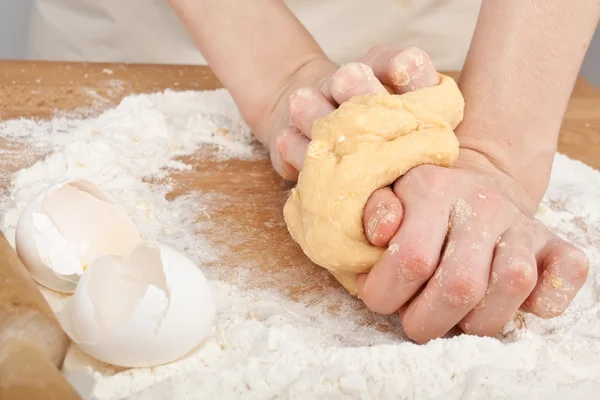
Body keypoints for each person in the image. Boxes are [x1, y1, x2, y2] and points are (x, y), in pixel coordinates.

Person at [28, 0, 599, 343]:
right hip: (163, 38)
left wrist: (493, 147)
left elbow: (497, 139)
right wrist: (282, 75)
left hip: (481, 39)